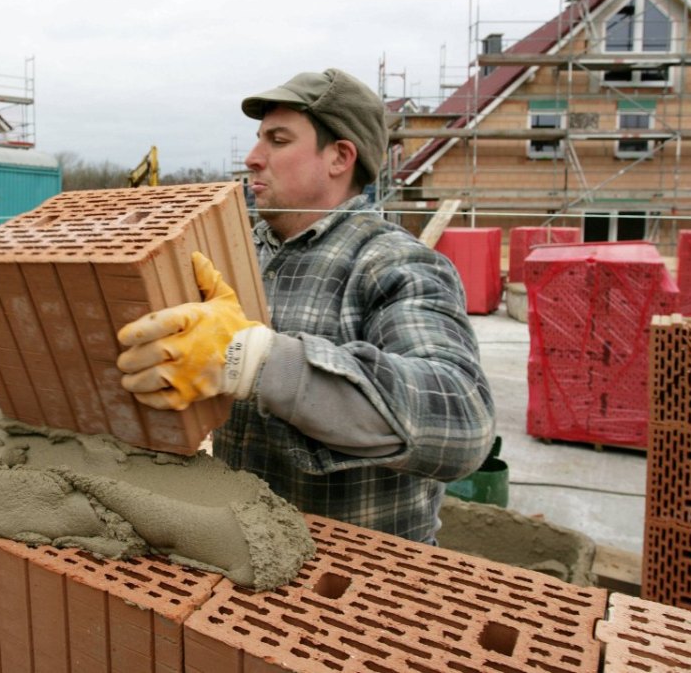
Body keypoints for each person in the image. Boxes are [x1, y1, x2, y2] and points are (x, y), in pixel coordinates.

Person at [116, 68, 494, 544]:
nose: (253, 159)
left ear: (339, 157)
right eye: (259, 140)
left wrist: (254, 361)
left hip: (356, 579)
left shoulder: (394, 263)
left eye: (277, 140)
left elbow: (463, 423)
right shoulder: (236, 257)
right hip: (241, 552)